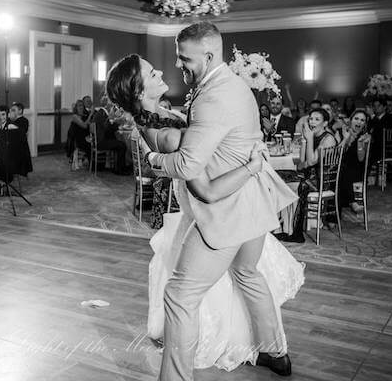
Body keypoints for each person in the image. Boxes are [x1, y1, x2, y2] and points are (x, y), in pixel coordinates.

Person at [108, 22, 302, 380]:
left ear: (208, 56)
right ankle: (276, 353)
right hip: (249, 201)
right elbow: (199, 174)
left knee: (180, 296)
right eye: (152, 72)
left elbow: (202, 184)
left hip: (226, 210)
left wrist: (153, 163)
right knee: (247, 273)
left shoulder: (201, 100)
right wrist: (251, 165)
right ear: (138, 89)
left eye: (183, 59)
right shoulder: (202, 102)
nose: (171, 67)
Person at [280, 108, 337, 243]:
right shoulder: (310, 136)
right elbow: (302, 164)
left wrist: (310, 139)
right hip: (309, 176)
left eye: (317, 119)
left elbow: (312, 161)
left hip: (322, 180)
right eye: (311, 118)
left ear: (325, 123)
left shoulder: (328, 139)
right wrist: (305, 141)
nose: (312, 121)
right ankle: (281, 227)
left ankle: (296, 233)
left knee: (301, 185)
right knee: (278, 177)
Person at [338, 109, 371, 213]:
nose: (359, 122)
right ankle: (351, 203)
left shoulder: (365, 137)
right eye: (356, 119)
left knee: (344, 170)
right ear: (350, 120)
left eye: (362, 120)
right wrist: (345, 139)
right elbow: (336, 154)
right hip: (339, 168)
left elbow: (361, 158)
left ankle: (352, 202)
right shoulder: (341, 132)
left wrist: (360, 144)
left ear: (365, 124)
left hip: (356, 171)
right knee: (342, 169)